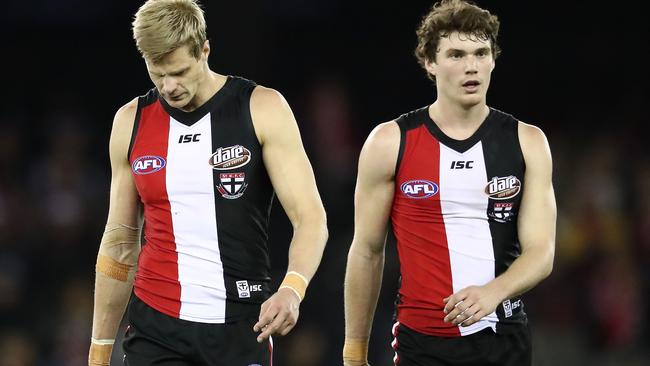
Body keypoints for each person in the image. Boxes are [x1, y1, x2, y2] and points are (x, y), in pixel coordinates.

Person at [88, 1, 328, 365]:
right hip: (156, 328)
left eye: (180, 71)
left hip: (241, 326)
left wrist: (292, 288)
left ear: (205, 50)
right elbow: (120, 240)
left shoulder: (261, 108)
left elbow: (311, 218)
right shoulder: (130, 122)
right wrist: (99, 350)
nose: (169, 86)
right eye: (157, 73)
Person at [342, 0, 556, 365]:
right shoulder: (391, 142)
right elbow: (366, 251)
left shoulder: (528, 142)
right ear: (430, 63)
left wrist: (493, 293)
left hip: (504, 341)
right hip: (421, 344)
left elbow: (542, 252)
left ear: (493, 60)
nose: (471, 66)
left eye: (480, 53)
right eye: (456, 54)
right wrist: (354, 352)